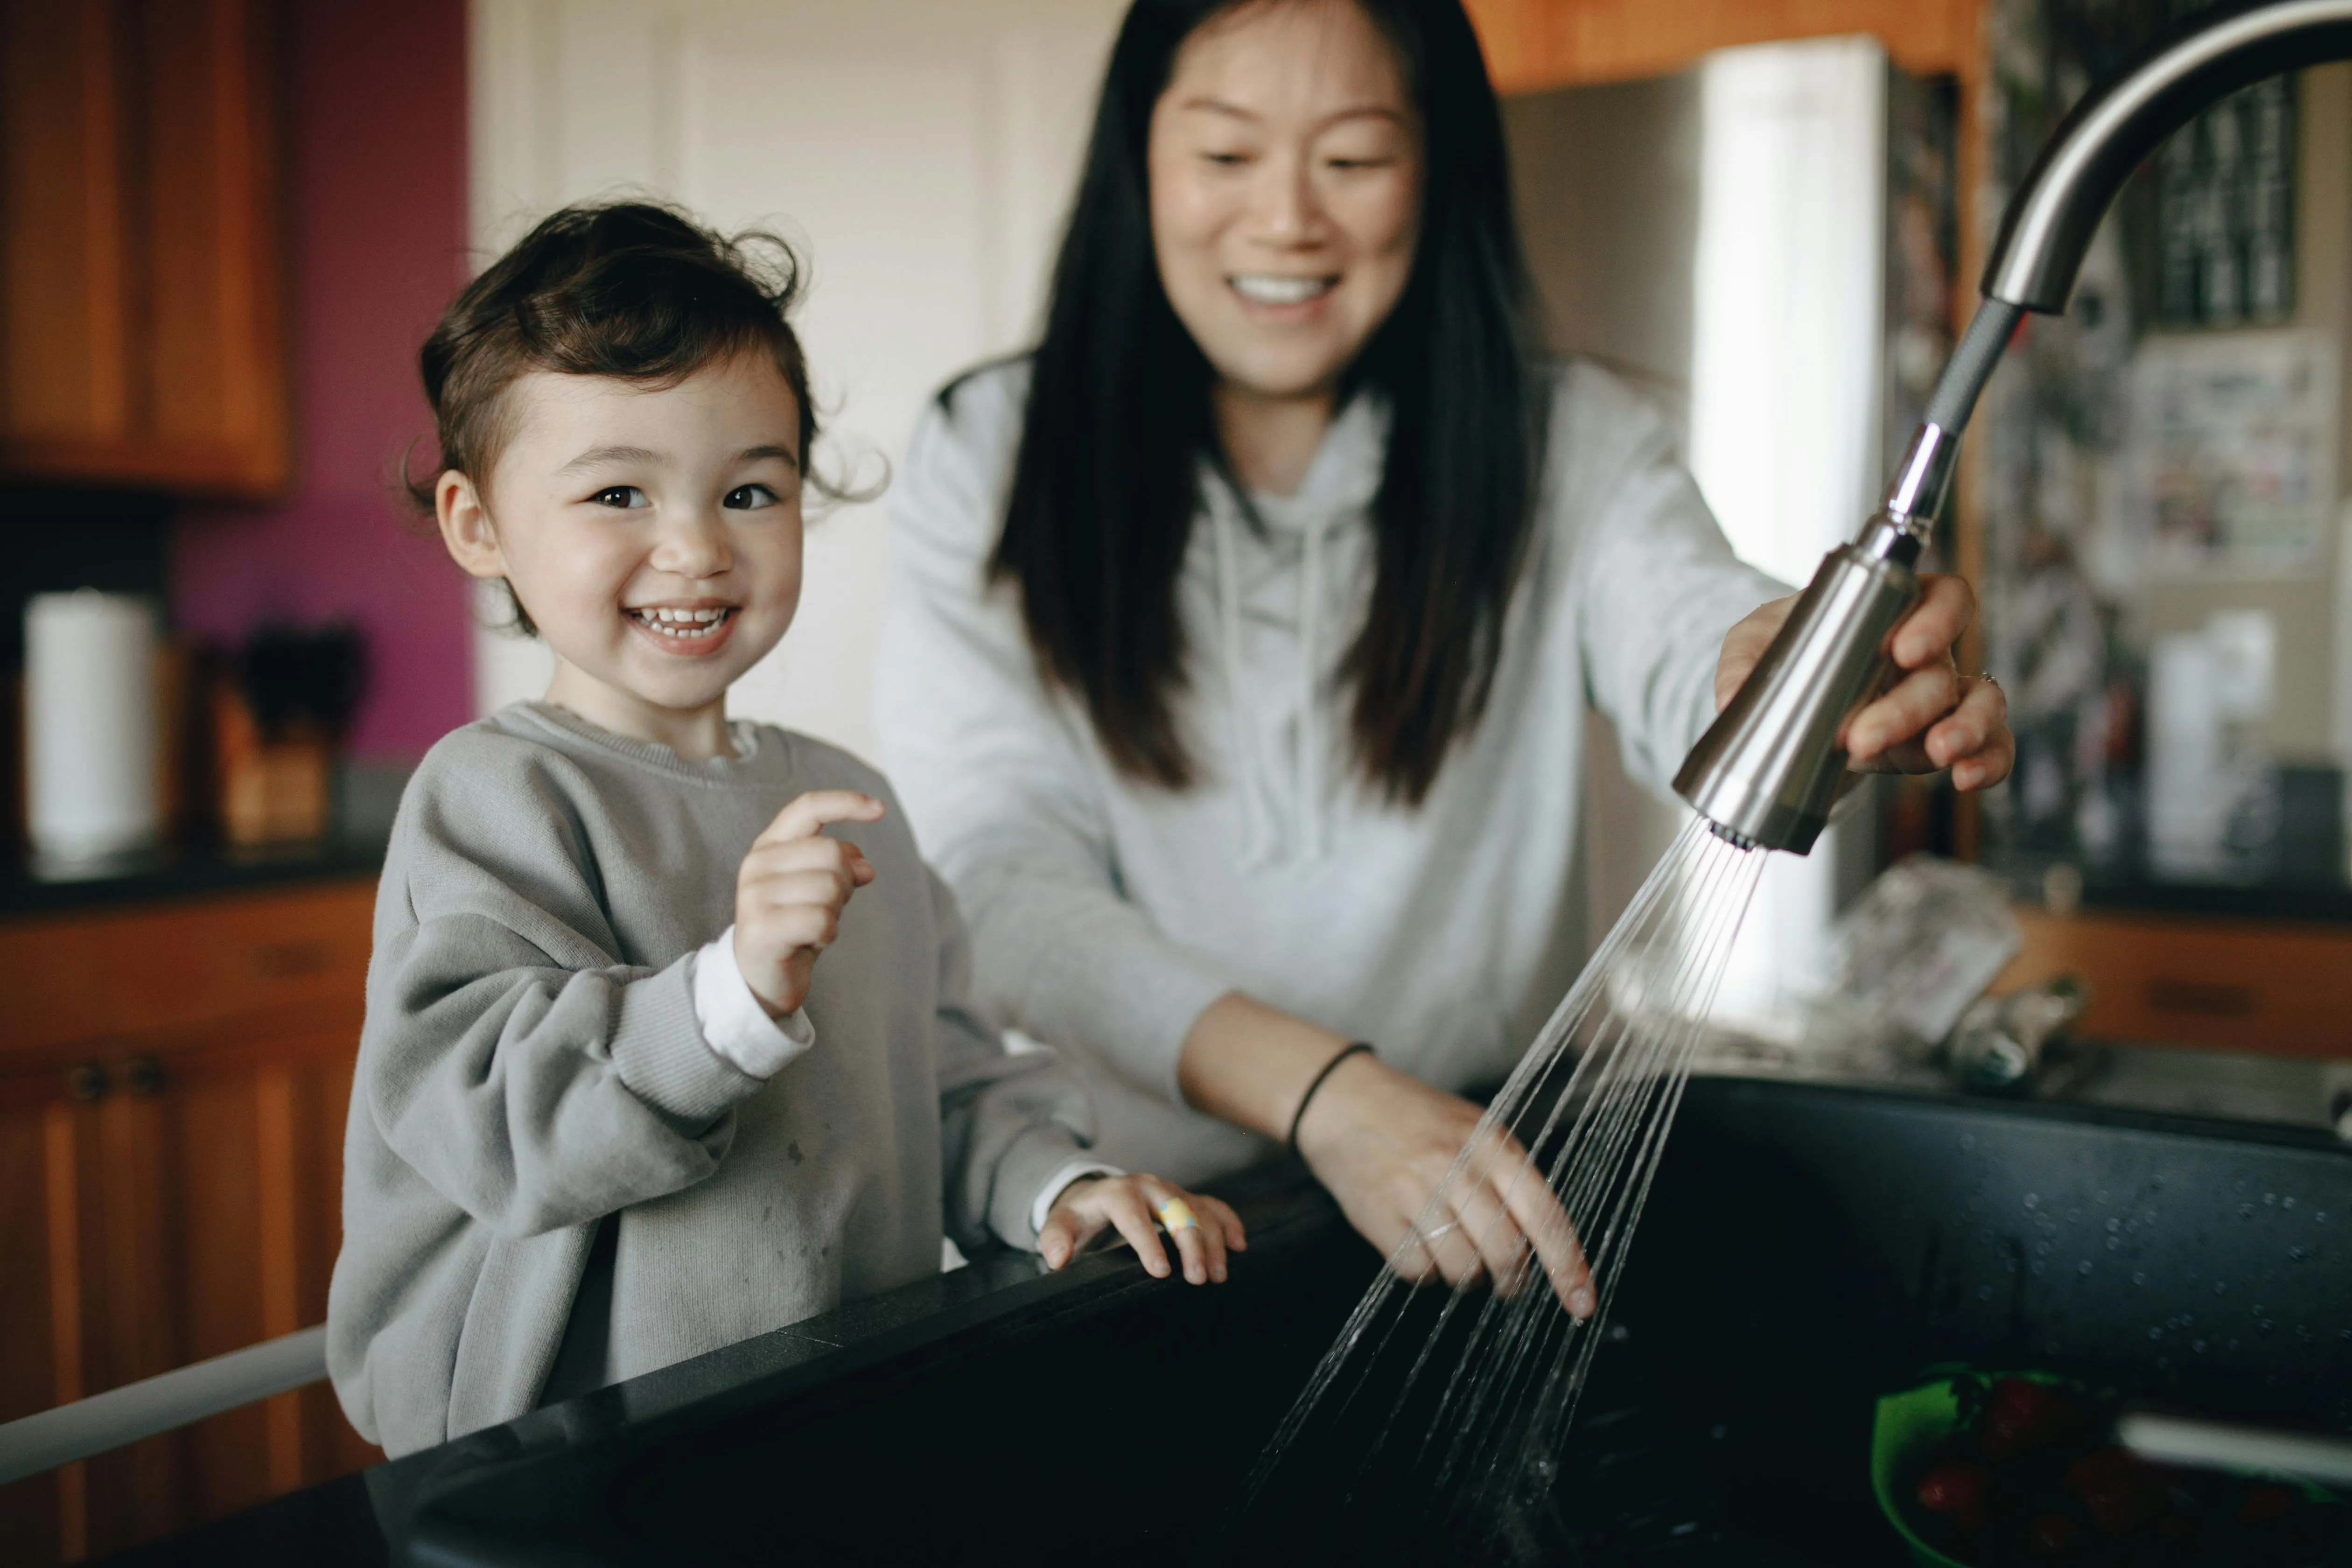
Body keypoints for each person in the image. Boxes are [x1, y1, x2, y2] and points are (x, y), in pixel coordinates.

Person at [877, 0, 2012, 1306]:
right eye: (1228, 155)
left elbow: (1687, 624)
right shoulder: (991, 455)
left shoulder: (1567, 442)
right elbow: (1000, 884)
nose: (1289, 219)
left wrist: (1791, 673)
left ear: (1438, 172)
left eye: (1353, 159)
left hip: (1478, 1199)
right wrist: (1330, 1098)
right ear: (1138, 160)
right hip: (1143, 1233)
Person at [327, 203, 1242, 1458]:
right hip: (570, 1466)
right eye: (617, 493)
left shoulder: (848, 797)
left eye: (750, 489)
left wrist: (1053, 1184)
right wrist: (728, 998)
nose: (697, 547)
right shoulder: (491, 800)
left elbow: (947, 1076)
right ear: (479, 526)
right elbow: (497, 1134)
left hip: (832, 1419)